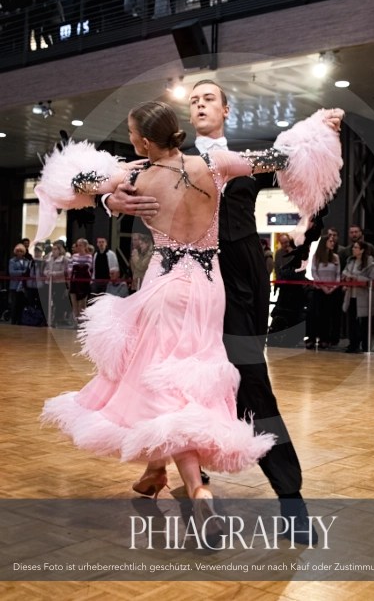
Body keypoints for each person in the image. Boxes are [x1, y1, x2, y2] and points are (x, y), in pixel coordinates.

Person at [37, 94, 343, 544]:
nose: (200, 104)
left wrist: (318, 133)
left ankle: (288, 500)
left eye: (209, 98)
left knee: (247, 386)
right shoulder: (198, 164)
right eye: (193, 99)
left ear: (226, 110)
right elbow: (105, 186)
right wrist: (112, 203)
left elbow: (291, 163)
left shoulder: (225, 160)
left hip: (237, 294)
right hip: (200, 287)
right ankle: (183, 485)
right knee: (166, 378)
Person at [342, 239, 374, 353]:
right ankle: (353, 344)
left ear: (362, 250)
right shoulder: (350, 261)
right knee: (352, 322)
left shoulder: (369, 264)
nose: (353, 249)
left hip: (363, 297)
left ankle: (365, 345)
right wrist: (346, 278)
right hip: (351, 295)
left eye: (356, 247)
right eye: (353, 247)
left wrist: (357, 278)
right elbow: (344, 272)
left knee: (364, 323)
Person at [307, 233, 340, 349]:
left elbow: (338, 275)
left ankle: (324, 338)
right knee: (315, 315)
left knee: (327, 316)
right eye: (330, 241)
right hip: (319, 290)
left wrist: (333, 287)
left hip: (331, 291)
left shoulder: (335, 257)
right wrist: (323, 287)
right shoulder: (316, 257)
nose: (332, 243)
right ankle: (311, 338)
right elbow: (314, 273)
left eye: (333, 241)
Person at [8, 243, 30, 325]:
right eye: (18, 251)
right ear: (15, 252)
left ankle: (21, 320)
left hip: (24, 286)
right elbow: (12, 272)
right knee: (14, 304)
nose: (19, 253)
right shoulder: (12, 261)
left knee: (22, 304)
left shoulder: (27, 261)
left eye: (21, 251)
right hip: (15, 286)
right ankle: (13, 321)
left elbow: (29, 272)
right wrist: (23, 272)